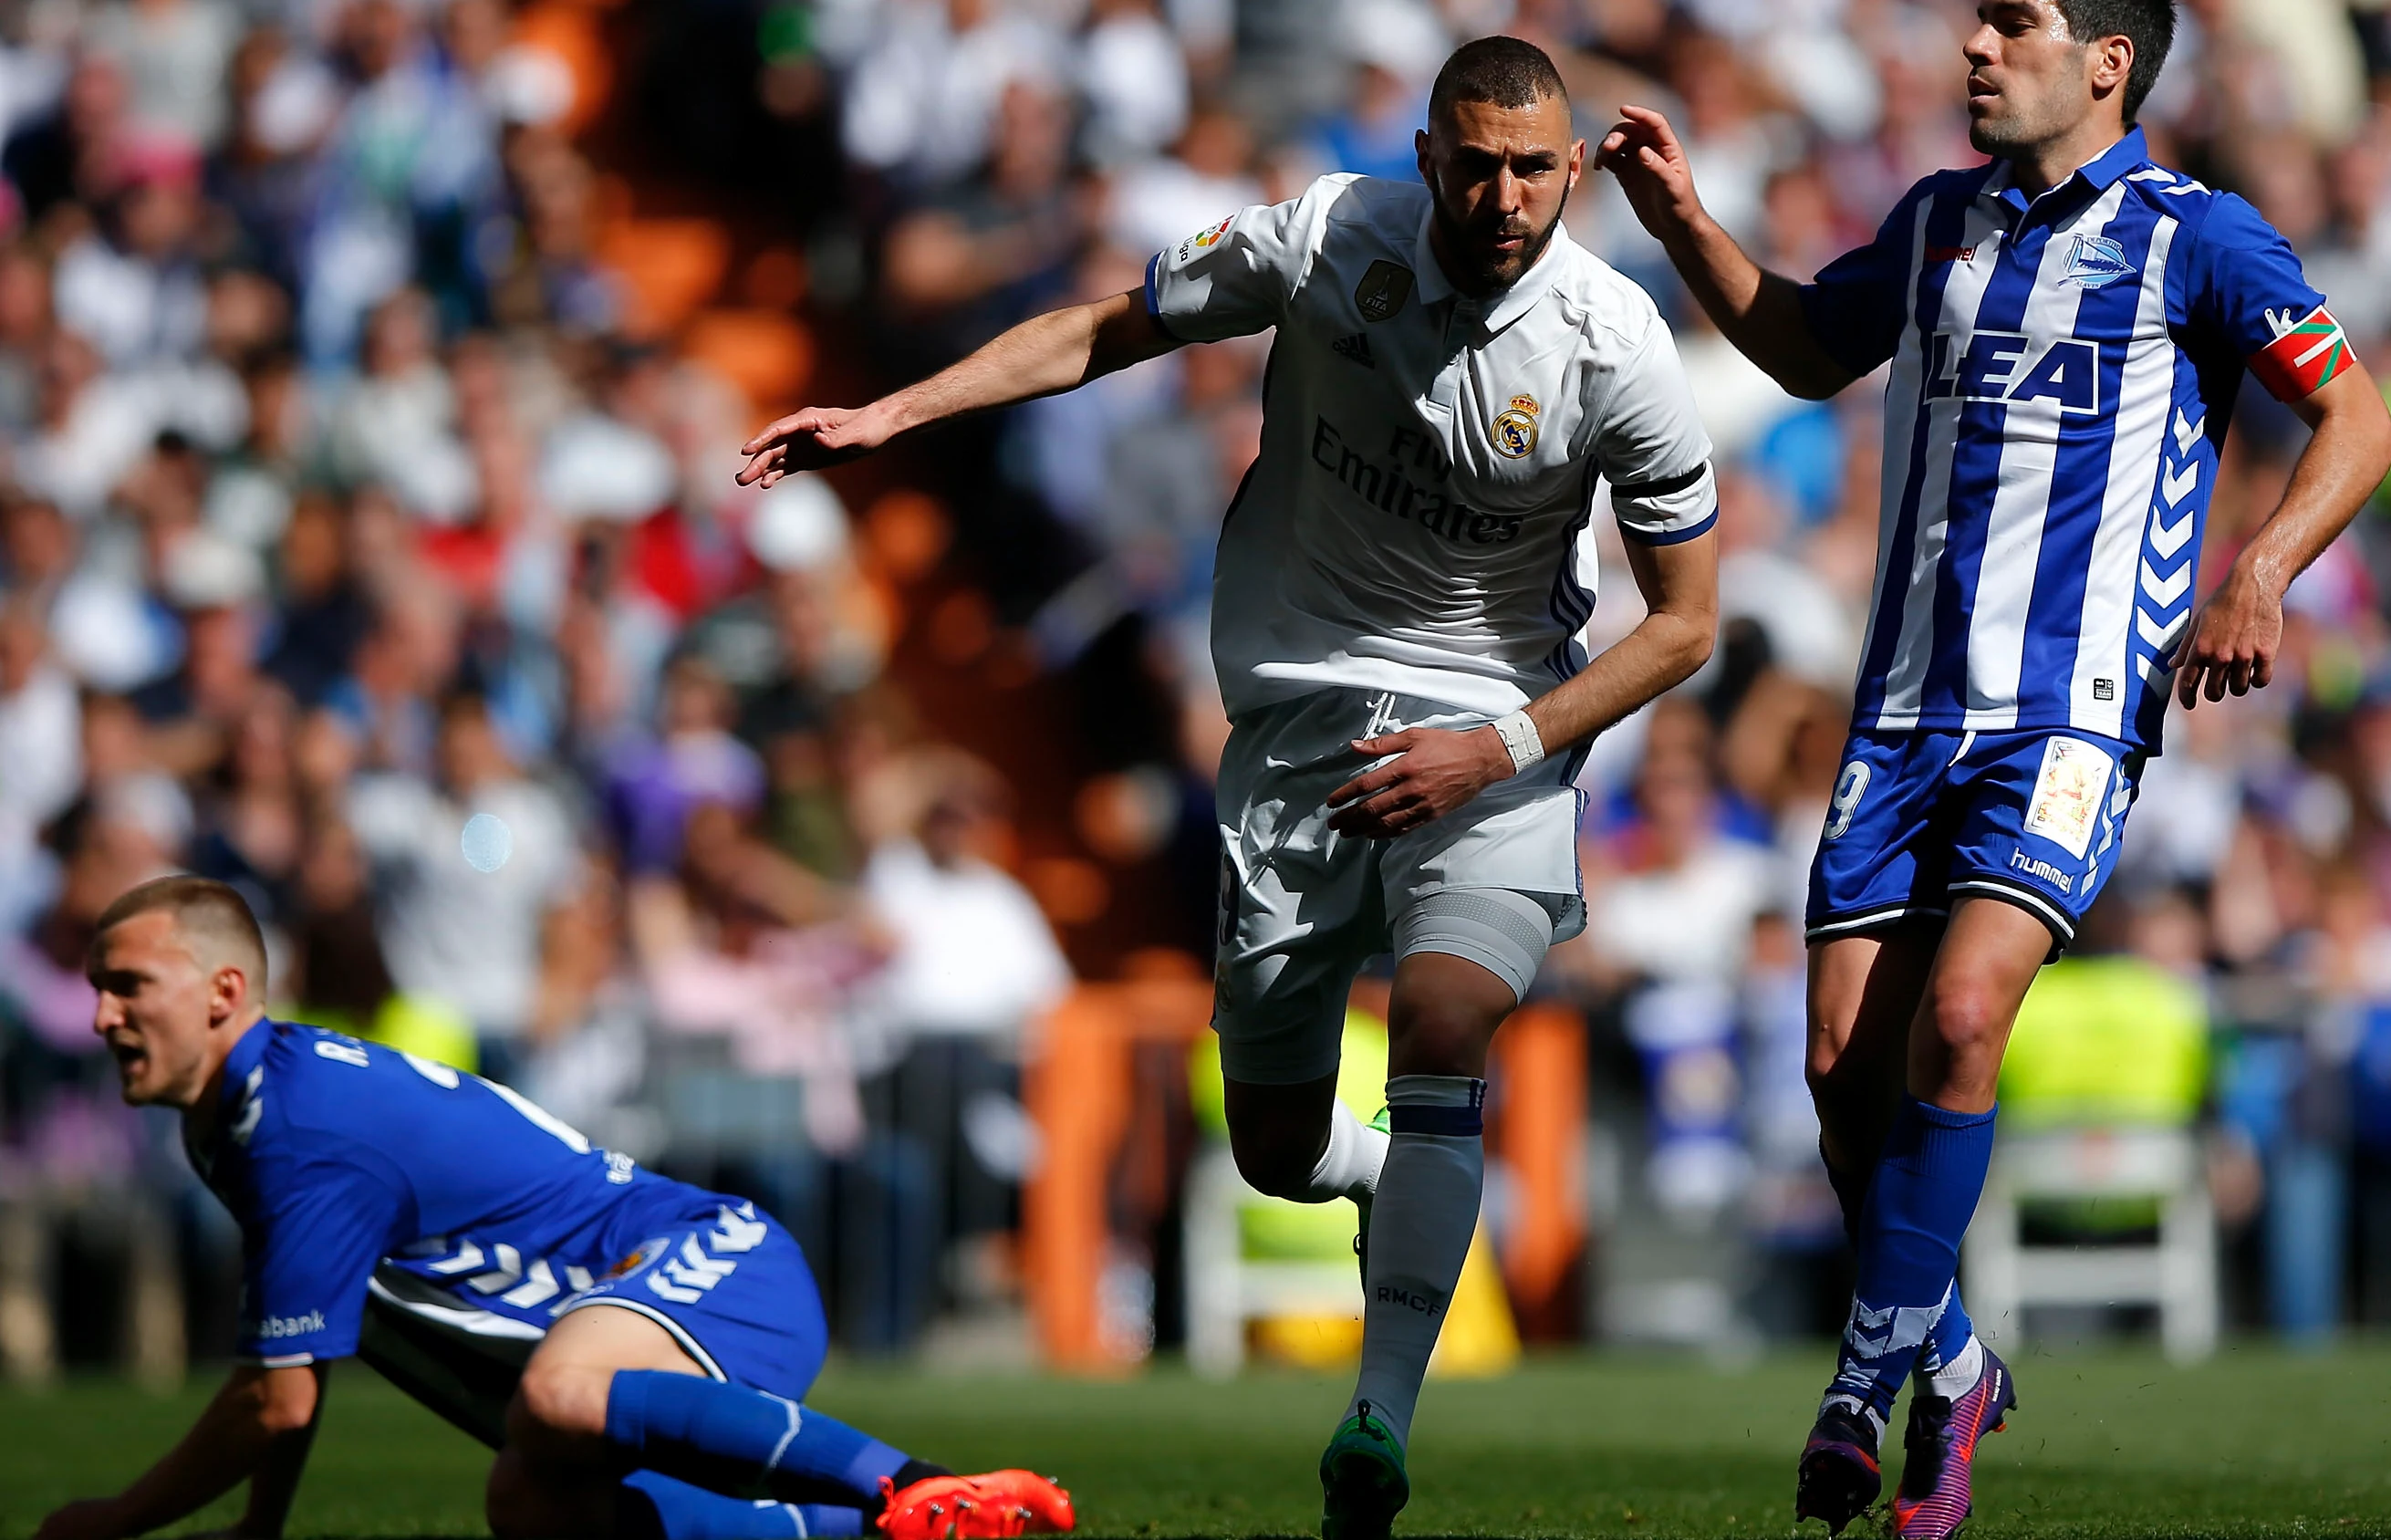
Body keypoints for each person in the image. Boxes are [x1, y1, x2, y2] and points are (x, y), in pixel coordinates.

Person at [742, 36, 1720, 1540]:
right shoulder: (1326, 237)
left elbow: (1686, 621)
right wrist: (894, 416)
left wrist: (1502, 744)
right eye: (1478, 164)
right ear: (1427, 159)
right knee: (1272, 1145)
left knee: (1450, 1014)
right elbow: (1105, 327)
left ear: (1574, 170)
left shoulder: (1618, 344)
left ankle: (1377, 1420)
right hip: (1296, 731)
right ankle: (1401, 1175)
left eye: (1536, 167)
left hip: (1493, 734)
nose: (1507, 193)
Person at [1599, 1, 2391, 1535]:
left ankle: (1858, 1389)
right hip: (1900, 712)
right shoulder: (1936, 221)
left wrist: (2263, 569)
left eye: (2011, 21)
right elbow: (1798, 346)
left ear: (2105, 60)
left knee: (1961, 1019)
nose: (1973, 43)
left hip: (2071, 713)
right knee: (1843, 1075)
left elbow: (2357, 417)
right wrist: (1687, 219)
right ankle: (1954, 1363)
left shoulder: (2202, 240)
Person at [36, 875, 1073, 1540]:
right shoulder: (238, 1118)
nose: (99, 1014)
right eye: (94, 986)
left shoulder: (299, 1124)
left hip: (713, 1260)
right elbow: (292, 1363)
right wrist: (258, 1529)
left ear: (222, 991)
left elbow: (278, 1401)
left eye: (128, 983)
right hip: (626, 1323)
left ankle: (913, 1480)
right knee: (533, 1502)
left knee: (559, 1398)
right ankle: (903, 1526)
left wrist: (113, 1519)